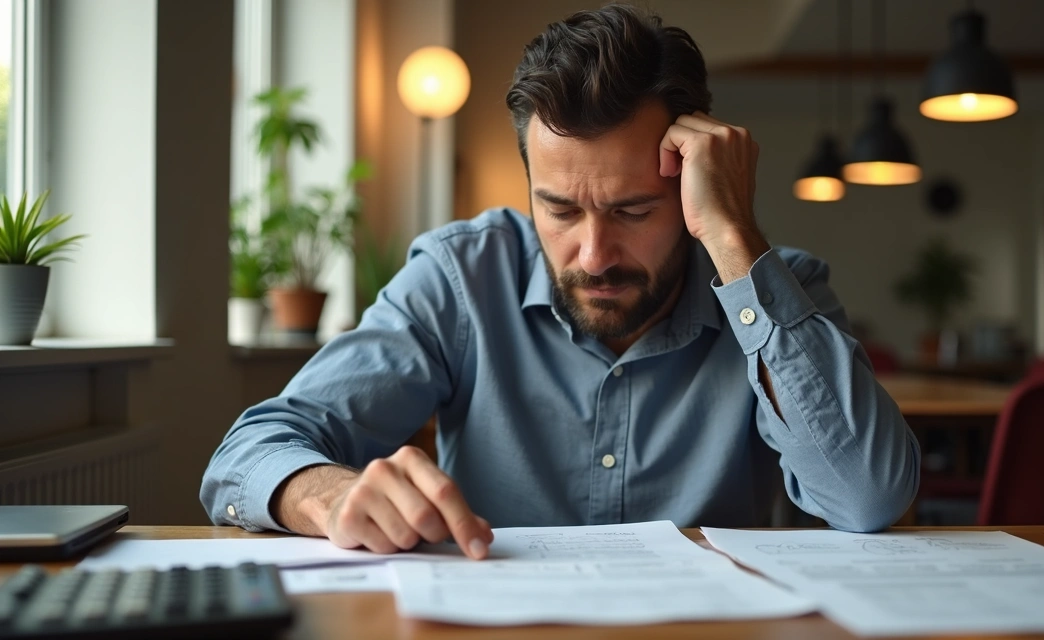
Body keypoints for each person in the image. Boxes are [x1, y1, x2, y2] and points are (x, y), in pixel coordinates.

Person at [201, 4, 919, 561]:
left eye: (633, 209)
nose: (594, 253)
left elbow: (870, 495)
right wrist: (328, 494)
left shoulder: (779, 287)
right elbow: (246, 454)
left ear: (695, 187)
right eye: (560, 208)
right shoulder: (460, 278)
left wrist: (732, 238)